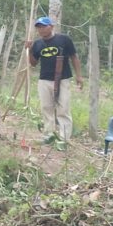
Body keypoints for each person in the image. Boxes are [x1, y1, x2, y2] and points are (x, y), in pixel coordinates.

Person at [28, 16, 83, 148]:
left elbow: (74, 57)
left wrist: (79, 76)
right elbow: (33, 63)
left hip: (63, 79)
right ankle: (49, 135)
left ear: (51, 27)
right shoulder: (37, 44)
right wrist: (29, 50)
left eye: (43, 26)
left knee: (63, 108)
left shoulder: (64, 39)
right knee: (46, 108)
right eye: (39, 27)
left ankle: (63, 140)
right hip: (44, 79)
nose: (41, 29)